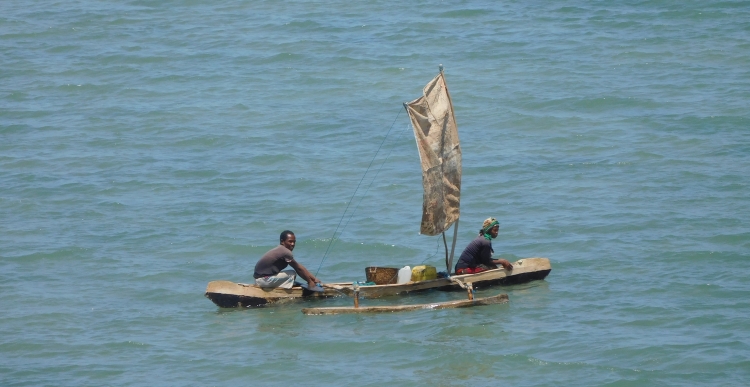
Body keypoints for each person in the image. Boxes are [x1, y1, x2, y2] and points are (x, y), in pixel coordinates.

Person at [253, 230, 322, 291]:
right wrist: (310, 283)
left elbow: (298, 265)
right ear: (282, 241)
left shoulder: (280, 249)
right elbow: (297, 268)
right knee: (292, 274)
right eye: (290, 241)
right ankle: (283, 290)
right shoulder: (285, 252)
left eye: (294, 242)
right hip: (263, 280)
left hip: (261, 279)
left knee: (292, 274)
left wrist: (314, 279)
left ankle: (282, 286)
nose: (293, 244)